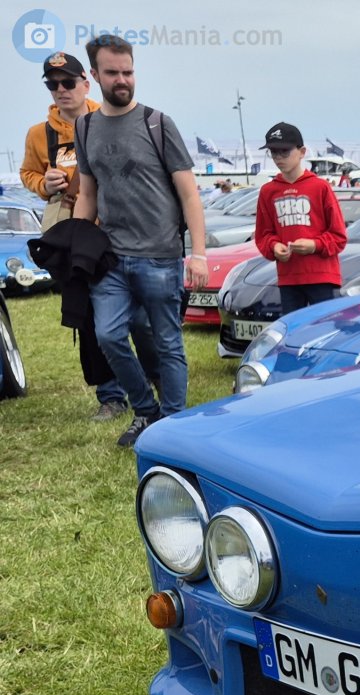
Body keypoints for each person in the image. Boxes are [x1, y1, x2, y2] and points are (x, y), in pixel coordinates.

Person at [71, 34, 208, 449]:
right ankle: (145, 411)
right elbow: (88, 193)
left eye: (128, 71)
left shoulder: (157, 123)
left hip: (161, 256)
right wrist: (77, 247)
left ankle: (172, 421)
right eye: (112, 73)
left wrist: (198, 254)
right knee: (109, 335)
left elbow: (189, 193)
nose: (122, 80)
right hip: (111, 257)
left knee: (167, 341)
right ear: (94, 75)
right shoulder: (86, 125)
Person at [19, 50, 160, 422]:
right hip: (75, 234)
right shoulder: (39, 134)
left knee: (139, 315)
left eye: (68, 82)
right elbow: (28, 174)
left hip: (117, 231)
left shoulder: (108, 120)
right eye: (53, 85)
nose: (61, 90)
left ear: (87, 82)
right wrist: (44, 184)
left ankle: (153, 377)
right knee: (88, 314)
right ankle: (111, 396)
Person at [253, 122, 347, 315]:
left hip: (321, 276)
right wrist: (274, 247)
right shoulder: (268, 191)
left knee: (324, 329)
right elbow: (263, 235)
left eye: (284, 152)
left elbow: (339, 236)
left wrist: (315, 245)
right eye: (273, 152)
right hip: (289, 278)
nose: (279, 158)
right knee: (292, 331)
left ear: (302, 152)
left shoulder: (320, 187)